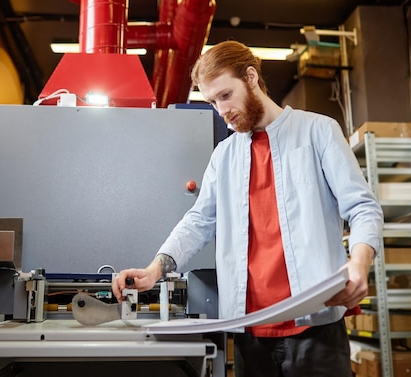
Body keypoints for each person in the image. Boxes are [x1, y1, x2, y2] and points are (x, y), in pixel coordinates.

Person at [112, 40, 383, 377]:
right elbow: (198, 221)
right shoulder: (224, 156)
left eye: (225, 95)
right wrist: (155, 269)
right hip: (249, 331)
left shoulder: (318, 132)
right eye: (212, 101)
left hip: (316, 327)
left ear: (251, 77)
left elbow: (362, 207)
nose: (221, 110)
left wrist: (359, 264)